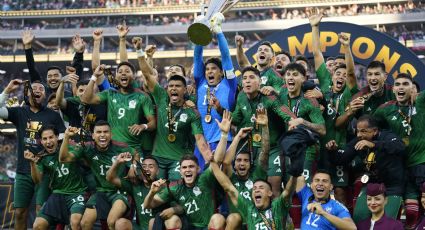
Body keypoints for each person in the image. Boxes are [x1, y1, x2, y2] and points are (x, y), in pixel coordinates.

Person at [135, 38, 212, 181]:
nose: (173, 89)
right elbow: (147, 75)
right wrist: (140, 51)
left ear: (185, 89)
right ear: (166, 88)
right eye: (171, 86)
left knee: (176, 187)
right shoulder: (162, 97)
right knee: (154, 187)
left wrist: (208, 157)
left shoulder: (191, 111)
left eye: (177, 86)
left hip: (179, 159)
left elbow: (199, 138)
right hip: (158, 157)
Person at [143, 111, 232, 229]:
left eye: (191, 167)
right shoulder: (175, 187)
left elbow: (218, 159)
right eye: (184, 167)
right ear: (180, 171)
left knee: (218, 218)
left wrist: (224, 134)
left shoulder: (205, 179)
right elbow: (148, 205)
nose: (187, 170)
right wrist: (152, 192)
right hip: (188, 227)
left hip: (207, 226)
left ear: (198, 169)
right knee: (172, 221)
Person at [0, 79, 66, 230]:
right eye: (33, 88)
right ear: (27, 93)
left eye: (41, 89)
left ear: (44, 95)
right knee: (19, 213)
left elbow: (62, 137)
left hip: (46, 172)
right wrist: (7, 91)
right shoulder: (19, 112)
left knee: (41, 213)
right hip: (23, 172)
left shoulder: (53, 115)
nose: (37, 90)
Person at [309, 7, 358, 205]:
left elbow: (353, 74)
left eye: (344, 76)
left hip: (339, 149)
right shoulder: (325, 86)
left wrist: (346, 48)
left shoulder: (349, 92)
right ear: (331, 76)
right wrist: (314, 27)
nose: (341, 76)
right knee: (319, 191)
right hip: (320, 148)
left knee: (339, 192)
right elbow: (317, 53)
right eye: (338, 73)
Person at [232, 66, 296, 197]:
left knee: (273, 187)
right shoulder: (241, 96)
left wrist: (292, 121)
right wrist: (219, 109)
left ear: (260, 81)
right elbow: (237, 118)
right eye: (244, 78)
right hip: (253, 149)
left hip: (273, 148)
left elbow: (286, 114)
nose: (247, 81)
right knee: (256, 188)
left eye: (251, 78)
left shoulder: (269, 98)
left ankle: (277, 217)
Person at [327, 115, 405, 222]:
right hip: (371, 185)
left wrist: (373, 144)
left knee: (385, 222)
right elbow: (342, 158)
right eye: (358, 131)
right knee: (359, 217)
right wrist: (333, 150)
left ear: (375, 131)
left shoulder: (387, 136)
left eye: (363, 131)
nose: (359, 135)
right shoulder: (358, 141)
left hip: (391, 187)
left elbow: (400, 146)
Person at [59, 122, 135, 230]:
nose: (102, 135)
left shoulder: (121, 147)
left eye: (105, 132)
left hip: (119, 191)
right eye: (99, 132)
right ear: (93, 136)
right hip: (101, 190)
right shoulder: (87, 147)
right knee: (85, 223)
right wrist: (66, 137)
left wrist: (133, 166)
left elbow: (136, 153)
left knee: (112, 221)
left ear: (111, 134)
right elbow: (63, 159)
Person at [373, 73, 425, 229]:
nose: (401, 87)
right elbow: (370, 127)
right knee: (410, 212)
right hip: (401, 165)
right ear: (393, 88)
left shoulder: (420, 101)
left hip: (422, 161)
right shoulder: (385, 110)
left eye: (405, 84)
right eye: (398, 84)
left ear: (412, 89)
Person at [192, 12, 237, 170]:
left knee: (222, 181)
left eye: (213, 69)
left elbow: (226, 57)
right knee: (202, 184)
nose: (209, 72)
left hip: (223, 140)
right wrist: (201, 31)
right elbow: (197, 57)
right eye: (207, 69)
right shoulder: (201, 83)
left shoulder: (229, 84)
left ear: (221, 72)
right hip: (202, 143)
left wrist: (218, 31)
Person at [81, 62, 156, 155]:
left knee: (140, 169)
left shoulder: (142, 97)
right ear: (116, 77)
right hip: (113, 149)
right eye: (120, 72)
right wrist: (94, 76)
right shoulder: (110, 93)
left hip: (133, 148)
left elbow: (153, 123)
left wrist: (143, 126)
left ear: (134, 76)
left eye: (127, 71)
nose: (123, 73)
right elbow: (86, 99)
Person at [24, 126, 87, 230]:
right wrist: (32, 163)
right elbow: (37, 180)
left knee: (76, 222)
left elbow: (64, 158)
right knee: (37, 226)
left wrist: (67, 137)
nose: (48, 141)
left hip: (76, 192)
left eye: (51, 137)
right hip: (57, 194)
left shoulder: (71, 146)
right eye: (45, 139)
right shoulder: (42, 157)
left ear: (57, 137)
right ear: (41, 141)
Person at [221, 108, 270, 229]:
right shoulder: (231, 178)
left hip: (256, 222)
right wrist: (237, 136)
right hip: (237, 224)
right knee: (233, 218)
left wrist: (264, 127)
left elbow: (265, 151)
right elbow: (226, 162)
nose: (242, 163)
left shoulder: (257, 175)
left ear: (250, 163)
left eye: (246, 160)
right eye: (238, 160)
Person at [280, 62, 326, 184]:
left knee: (304, 187)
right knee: (288, 187)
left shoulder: (309, 100)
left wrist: (302, 121)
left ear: (303, 79)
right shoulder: (281, 93)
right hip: (288, 145)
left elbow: (322, 129)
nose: (290, 77)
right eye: (288, 74)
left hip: (307, 149)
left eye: (295, 75)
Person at [107, 154, 170, 230]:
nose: (146, 169)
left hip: (157, 227)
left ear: (157, 171)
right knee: (121, 223)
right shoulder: (135, 185)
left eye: (151, 166)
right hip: (140, 227)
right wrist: (117, 162)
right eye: (144, 166)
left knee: (152, 222)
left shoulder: (163, 186)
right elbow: (110, 178)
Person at [22, 29, 84, 99]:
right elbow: (32, 69)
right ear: (46, 79)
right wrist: (27, 47)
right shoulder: (43, 93)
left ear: (62, 77)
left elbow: (76, 74)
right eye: (49, 76)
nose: (53, 78)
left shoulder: (70, 94)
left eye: (56, 75)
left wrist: (79, 53)